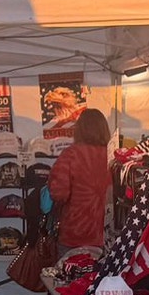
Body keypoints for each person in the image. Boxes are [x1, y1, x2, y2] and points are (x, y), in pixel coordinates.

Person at [47, 108, 112, 252]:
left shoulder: (70, 155)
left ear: (79, 129)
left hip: (74, 232)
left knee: (68, 266)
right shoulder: (112, 156)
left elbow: (58, 193)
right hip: (105, 233)